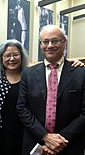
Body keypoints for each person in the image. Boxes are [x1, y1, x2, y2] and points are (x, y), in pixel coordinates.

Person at [17, 25, 85, 155]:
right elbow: (22, 108)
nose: (50, 45)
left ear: (64, 42)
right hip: (36, 142)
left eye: (55, 41)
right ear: (40, 44)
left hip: (70, 145)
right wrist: (45, 136)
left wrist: (58, 141)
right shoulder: (28, 74)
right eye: (45, 41)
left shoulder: (81, 73)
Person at [0, 39, 28, 155]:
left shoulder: (30, 76)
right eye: (7, 55)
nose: (12, 59)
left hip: (25, 129)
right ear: (1, 58)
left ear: (21, 56)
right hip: (2, 129)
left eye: (16, 55)